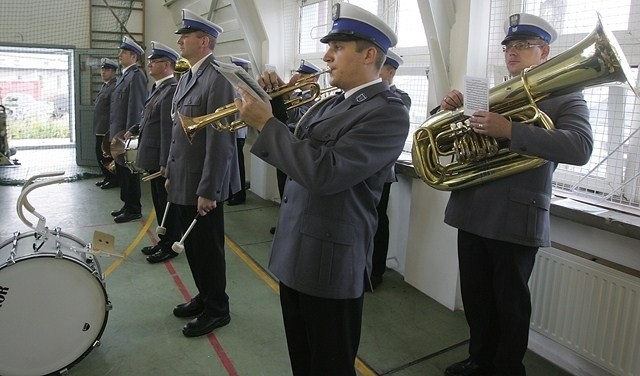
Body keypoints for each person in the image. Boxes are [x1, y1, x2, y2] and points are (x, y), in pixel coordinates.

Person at [234, 3, 409, 374]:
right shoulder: (332, 103)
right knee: (303, 359)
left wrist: (266, 124)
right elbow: (301, 148)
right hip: (296, 250)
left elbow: (326, 173)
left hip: (331, 263)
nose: (327, 57)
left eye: (337, 48)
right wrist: (273, 105)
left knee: (330, 364)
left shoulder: (387, 111)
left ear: (369, 54)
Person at [440, 13, 593, 376]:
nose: (512, 51)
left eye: (523, 45)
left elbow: (581, 147)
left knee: (509, 305)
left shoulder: (564, 95)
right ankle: (479, 360)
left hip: (515, 217)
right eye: (509, 45)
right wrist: (453, 113)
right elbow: (467, 144)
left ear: (545, 52)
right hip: (474, 210)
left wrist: (510, 129)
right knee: (477, 299)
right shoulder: (492, 93)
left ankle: (508, 369)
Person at [165, 8, 240, 338]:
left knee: (208, 248)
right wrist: (170, 168)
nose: (180, 40)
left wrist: (209, 189)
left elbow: (220, 140)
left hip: (202, 184)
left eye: (187, 35)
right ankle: (204, 295)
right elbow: (178, 130)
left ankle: (217, 309)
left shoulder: (218, 78)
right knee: (193, 247)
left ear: (204, 41)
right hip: (183, 178)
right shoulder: (188, 76)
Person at [125, 41, 181, 263]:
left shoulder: (170, 91)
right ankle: (164, 241)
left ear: (167, 65)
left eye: (153, 61)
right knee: (159, 202)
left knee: (167, 205)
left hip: (160, 159)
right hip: (151, 156)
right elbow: (149, 119)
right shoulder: (157, 88)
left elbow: (168, 131)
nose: (148, 64)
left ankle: (170, 246)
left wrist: (165, 161)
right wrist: (135, 128)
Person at [369, 49, 412, 290]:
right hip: (361, 172)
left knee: (377, 222)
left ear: (391, 72)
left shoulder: (400, 98)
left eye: (381, 67)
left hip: (382, 174)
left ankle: (375, 272)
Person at [270, 59, 323, 234]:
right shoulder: (300, 95)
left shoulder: (315, 98)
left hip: (299, 147)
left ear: (314, 79)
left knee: (291, 190)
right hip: (288, 144)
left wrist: (288, 94)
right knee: (283, 186)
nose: (300, 79)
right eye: (300, 75)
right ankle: (283, 223)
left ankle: (288, 226)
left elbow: (296, 118)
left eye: (304, 76)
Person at [109, 36, 147, 223]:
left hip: (126, 133)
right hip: (118, 133)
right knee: (122, 171)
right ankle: (127, 204)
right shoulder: (125, 76)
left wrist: (131, 131)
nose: (120, 55)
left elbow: (137, 106)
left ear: (133, 56)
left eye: (123, 52)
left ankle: (134, 208)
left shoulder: (137, 76)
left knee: (130, 171)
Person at [227, 56, 250, 206]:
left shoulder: (244, 87)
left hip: (238, 131)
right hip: (233, 130)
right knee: (232, 164)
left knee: (238, 165)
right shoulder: (236, 85)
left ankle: (239, 194)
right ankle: (232, 192)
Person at [93, 58, 119, 189]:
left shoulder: (114, 86)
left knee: (106, 154)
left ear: (114, 72)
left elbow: (114, 109)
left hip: (107, 129)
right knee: (100, 154)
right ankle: (107, 177)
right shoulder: (106, 85)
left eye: (107, 70)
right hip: (100, 127)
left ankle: (113, 179)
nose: (103, 72)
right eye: (102, 69)